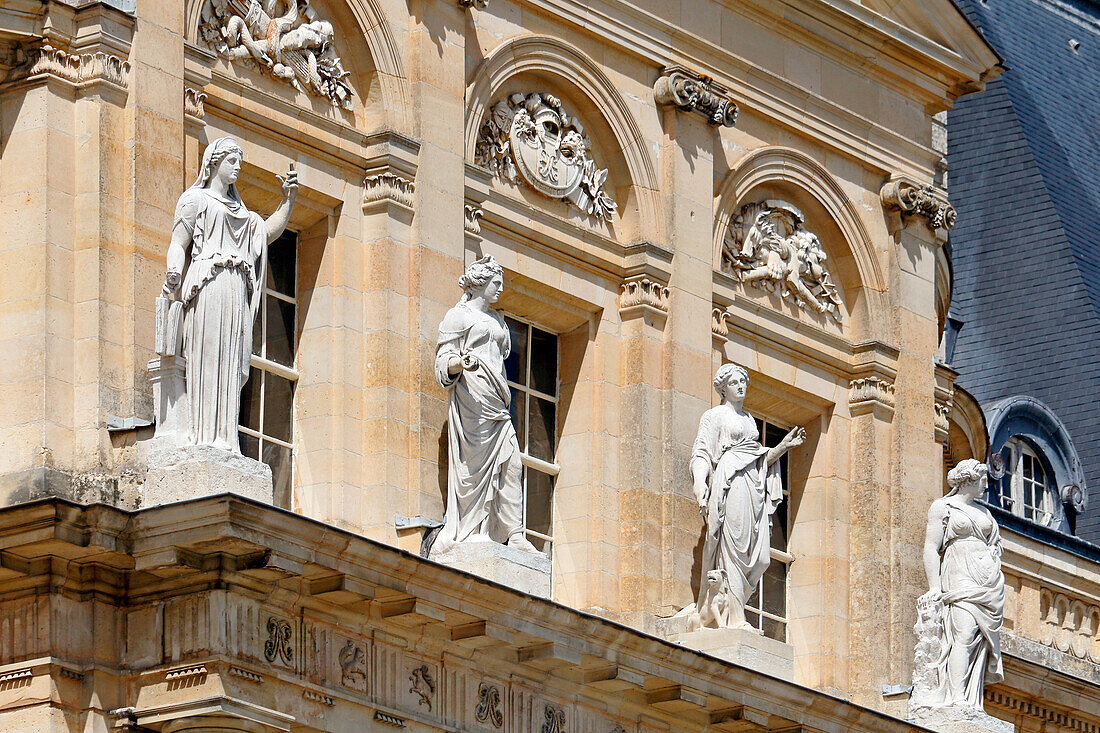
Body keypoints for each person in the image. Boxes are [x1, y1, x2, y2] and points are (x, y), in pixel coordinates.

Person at [162, 137, 297, 450]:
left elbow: (266, 233)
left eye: (239, 162)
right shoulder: (195, 200)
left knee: (231, 357)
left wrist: (288, 202)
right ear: (214, 163)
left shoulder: (245, 215)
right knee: (207, 355)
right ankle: (201, 434)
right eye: (231, 161)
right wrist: (172, 272)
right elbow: (177, 243)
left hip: (236, 290)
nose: (237, 168)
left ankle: (225, 437)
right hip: (208, 287)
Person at [432, 256, 539, 554]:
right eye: (496, 283)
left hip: (497, 400)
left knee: (512, 462)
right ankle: (472, 527)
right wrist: (459, 362)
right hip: (472, 399)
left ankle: (514, 533)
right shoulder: (459, 316)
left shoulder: (498, 321)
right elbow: (441, 362)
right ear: (480, 283)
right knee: (473, 467)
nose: (500, 289)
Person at [689, 363, 805, 629]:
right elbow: (702, 452)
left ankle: (736, 609)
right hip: (731, 482)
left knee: (761, 556)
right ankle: (734, 616)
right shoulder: (714, 416)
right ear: (722, 388)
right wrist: (699, 482)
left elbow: (760, 461)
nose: (741, 386)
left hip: (753, 486)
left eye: (743, 382)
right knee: (733, 547)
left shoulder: (750, 420)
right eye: (734, 382)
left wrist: (784, 446)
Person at [921, 458, 1005, 709]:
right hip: (959, 572)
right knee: (964, 633)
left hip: (988, 582)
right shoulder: (943, 507)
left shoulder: (986, 513)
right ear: (968, 481)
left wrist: (993, 556)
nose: (986, 486)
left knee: (978, 640)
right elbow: (930, 547)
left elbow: (995, 545)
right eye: (982, 480)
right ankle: (955, 696)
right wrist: (934, 586)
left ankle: (971, 698)